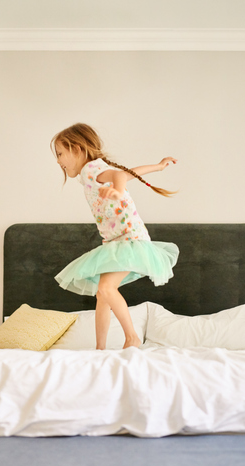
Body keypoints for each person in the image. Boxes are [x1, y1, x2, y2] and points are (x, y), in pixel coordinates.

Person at [51, 123, 179, 350]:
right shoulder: (93, 171)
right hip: (118, 241)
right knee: (103, 295)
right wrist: (158, 167)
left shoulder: (91, 169)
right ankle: (100, 349)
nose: (58, 160)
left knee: (106, 290)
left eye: (60, 153)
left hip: (128, 239)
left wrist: (118, 191)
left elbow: (120, 176)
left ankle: (132, 338)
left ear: (78, 149)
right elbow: (129, 174)